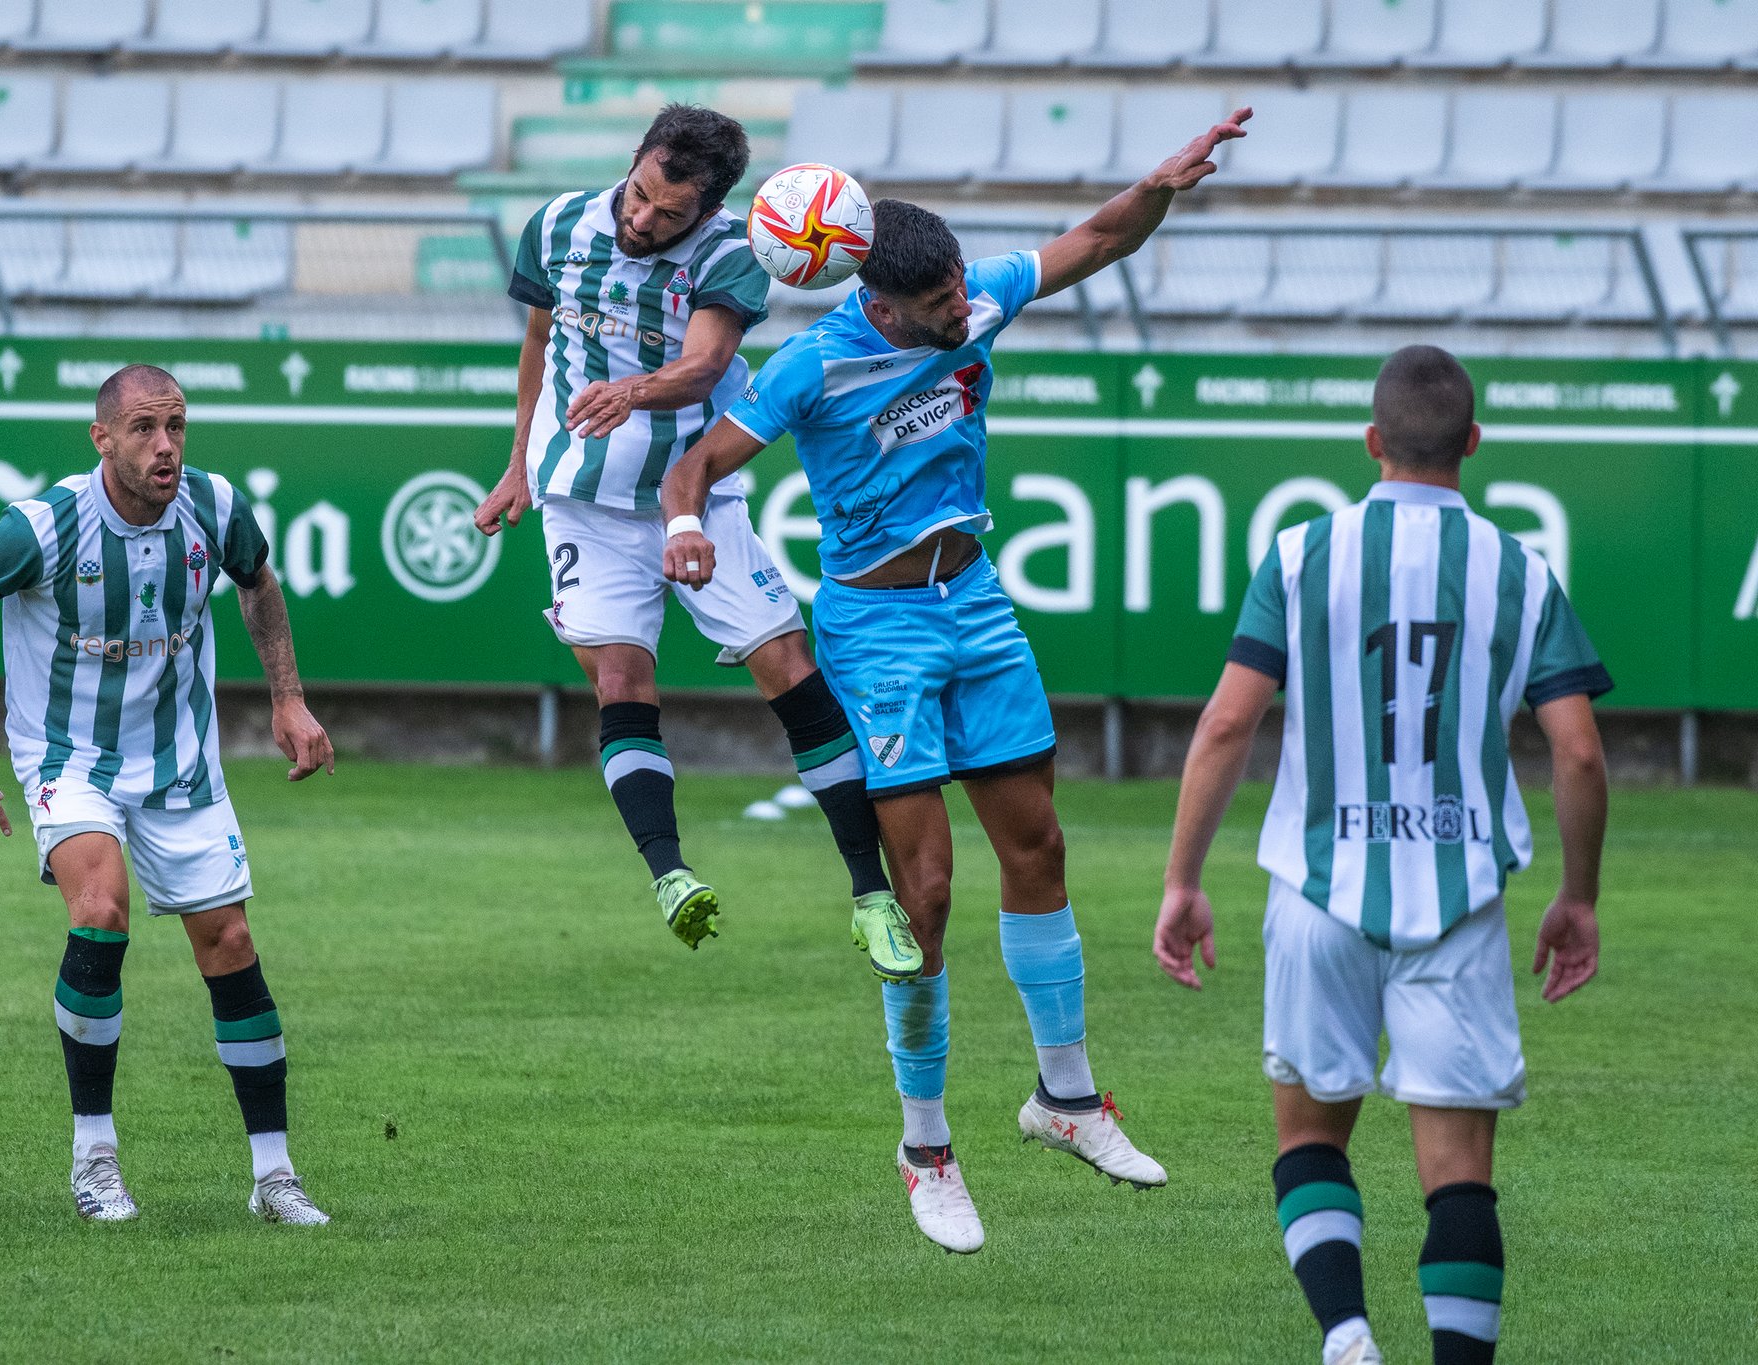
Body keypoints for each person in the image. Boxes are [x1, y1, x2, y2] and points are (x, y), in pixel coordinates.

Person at [658, 108, 1253, 1252]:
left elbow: (1093, 242)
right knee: (922, 891)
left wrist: (1159, 185)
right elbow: (697, 462)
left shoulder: (972, 292)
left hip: (974, 606)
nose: (957, 318)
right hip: (876, 629)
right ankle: (924, 1147)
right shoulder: (812, 366)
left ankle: (1066, 1102)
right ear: (877, 302)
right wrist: (683, 524)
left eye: (956, 302)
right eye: (933, 311)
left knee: (1038, 848)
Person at [1152, 345, 1612, 1365]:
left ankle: (1348, 1336)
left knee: (1310, 1139)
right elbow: (1575, 749)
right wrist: (1576, 897)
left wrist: (1182, 880)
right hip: (1457, 900)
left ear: (1370, 443)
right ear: (1471, 445)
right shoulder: (1520, 569)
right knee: (1457, 1173)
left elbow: (1227, 727)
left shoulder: (1299, 555)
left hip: (1318, 892)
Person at [475, 103, 918, 980]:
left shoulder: (732, 255)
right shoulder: (557, 222)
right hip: (582, 501)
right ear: (634, 159)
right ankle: (670, 874)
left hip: (696, 498)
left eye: (668, 213)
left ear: (709, 209)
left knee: (789, 664)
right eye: (639, 195)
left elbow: (708, 365)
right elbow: (538, 336)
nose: (643, 219)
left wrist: (634, 392)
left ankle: (871, 894)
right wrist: (516, 460)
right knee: (620, 679)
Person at [0, 364, 337, 1226]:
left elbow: (257, 581)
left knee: (231, 941)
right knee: (100, 908)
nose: (166, 445)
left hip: (179, 759)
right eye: (143, 428)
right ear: (101, 438)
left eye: (176, 424)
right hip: (71, 755)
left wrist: (287, 696)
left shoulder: (213, 505)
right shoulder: (45, 525)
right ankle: (94, 1158)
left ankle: (274, 1175)